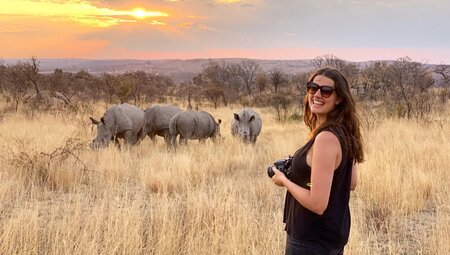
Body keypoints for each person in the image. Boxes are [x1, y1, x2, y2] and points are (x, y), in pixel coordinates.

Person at [271, 67, 364, 255]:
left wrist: (284, 181)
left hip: (310, 240)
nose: (317, 94)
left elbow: (317, 204)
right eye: (313, 88)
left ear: (339, 98)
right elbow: (351, 183)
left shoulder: (326, 138)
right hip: (329, 238)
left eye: (326, 91)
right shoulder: (344, 133)